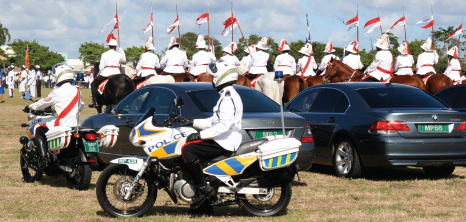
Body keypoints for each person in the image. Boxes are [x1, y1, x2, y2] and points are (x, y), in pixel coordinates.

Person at [182, 61, 243, 214]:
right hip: (223, 138)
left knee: (188, 149)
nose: (212, 80)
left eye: (214, 76)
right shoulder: (225, 95)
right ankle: (205, 204)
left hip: (225, 140)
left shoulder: (228, 98)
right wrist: (191, 122)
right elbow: (212, 121)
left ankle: (203, 190)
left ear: (222, 77)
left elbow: (223, 126)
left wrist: (199, 135)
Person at [26, 64, 84, 166]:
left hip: (62, 124)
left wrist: (31, 107)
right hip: (76, 125)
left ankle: (44, 159)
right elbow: (81, 106)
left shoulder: (57, 91)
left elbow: (43, 102)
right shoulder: (77, 90)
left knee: (39, 130)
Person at [90, 37, 126, 107]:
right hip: (116, 73)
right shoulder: (118, 54)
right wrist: (121, 51)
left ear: (109, 46)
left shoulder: (104, 54)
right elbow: (124, 60)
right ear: (115, 47)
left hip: (106, 73)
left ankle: (95, 102)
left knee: (93, 84)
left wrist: (100, 72)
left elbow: (101, 66)